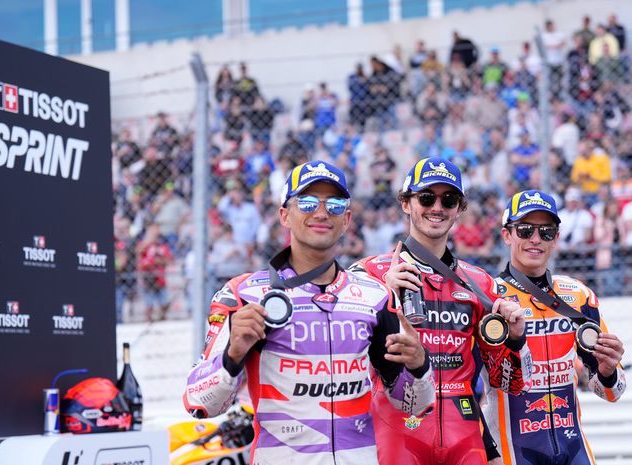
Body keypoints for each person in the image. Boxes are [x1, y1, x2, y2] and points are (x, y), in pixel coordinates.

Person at [184, 160, 436, 465]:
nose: (321, 212)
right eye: (306, 202)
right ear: (284, 216)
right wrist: (232, 356)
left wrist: (420, 366)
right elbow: (198, 403)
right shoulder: (243, 294)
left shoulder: (375, 295)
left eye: (334, 204)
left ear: (346, 220)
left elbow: (414, 406)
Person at [351, 157, 532, 465]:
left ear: (459, 209)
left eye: (448, 200)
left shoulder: (480, 283)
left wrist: (515, 339)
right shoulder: (368, 274)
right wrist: (381, 296)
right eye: (426, 198)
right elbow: (342, 358)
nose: (437, 207)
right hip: (396, 427)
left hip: (463, 431)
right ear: (406, 203)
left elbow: (510, 382)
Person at [486, 189, 626, 465]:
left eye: (546, 232)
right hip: (513, 451)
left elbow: (612, 392)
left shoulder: (578, 295)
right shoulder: (488, 296)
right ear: (506, 235)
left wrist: (608, 371)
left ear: (556, 239)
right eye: (525, 230)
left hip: (573, 448)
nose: (535, 239)